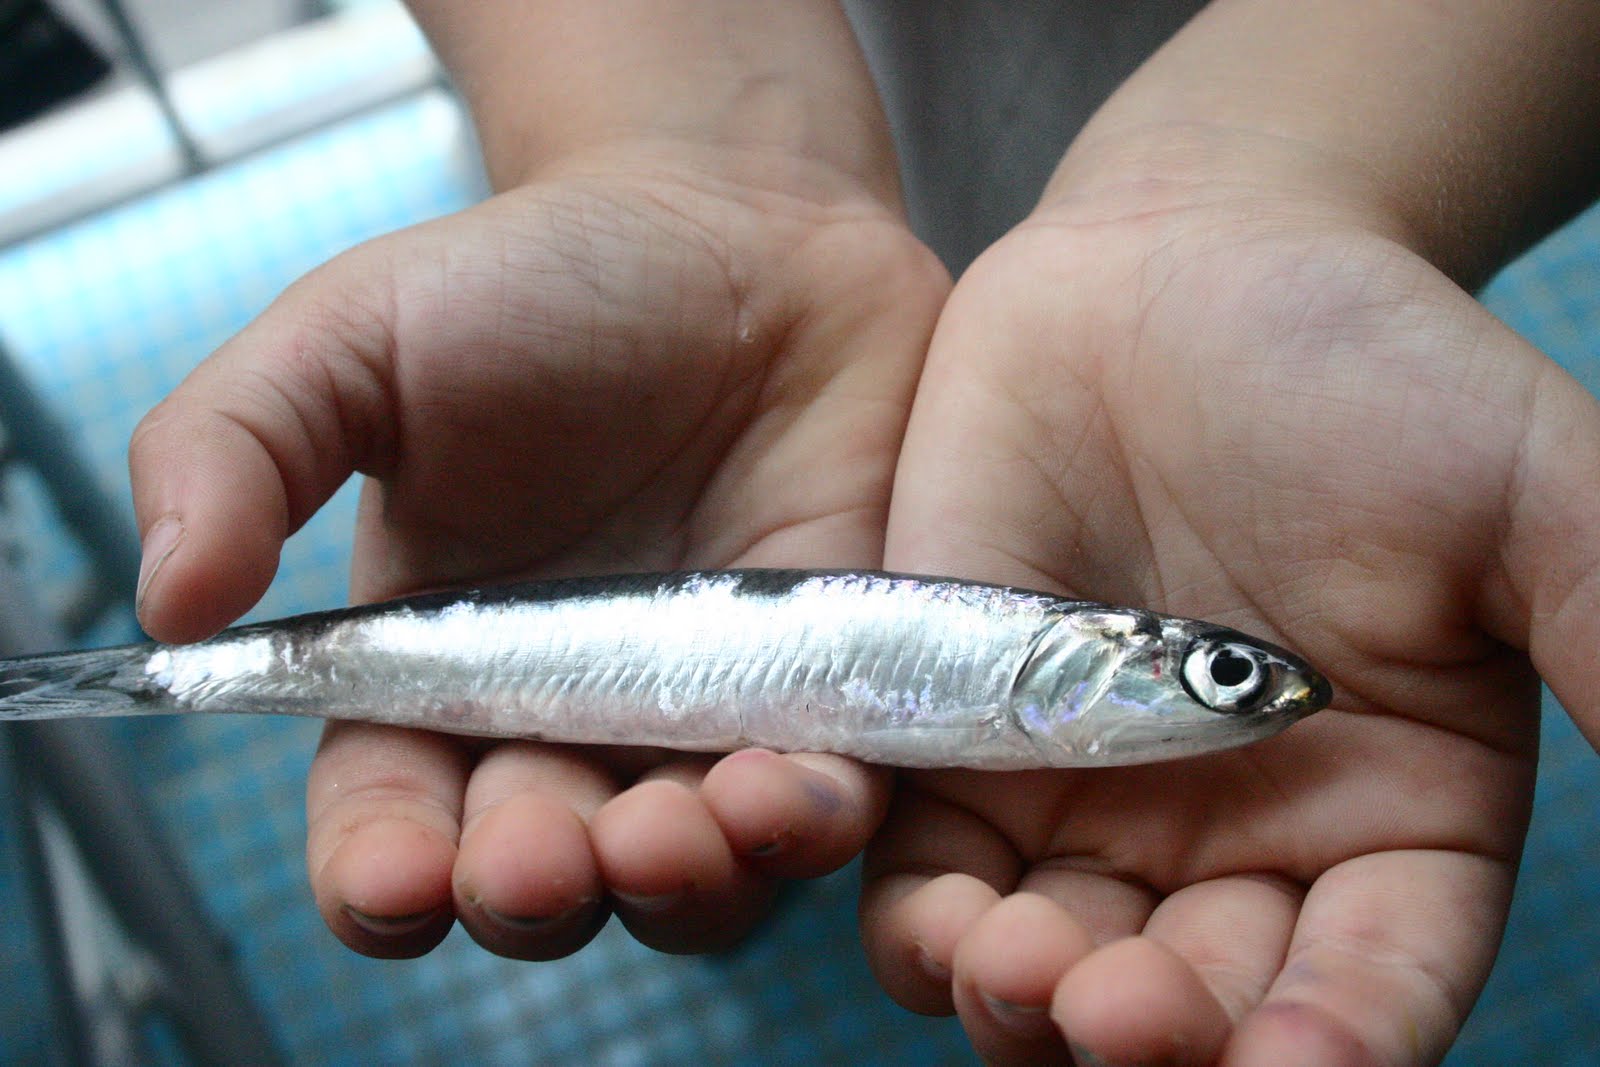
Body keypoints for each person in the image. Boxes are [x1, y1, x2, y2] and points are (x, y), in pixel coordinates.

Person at [126, 2, 1600, 1062]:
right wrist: (667, 148)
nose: (1241, 695)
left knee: (717, 831)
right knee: (686, 832)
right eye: (1220, 676)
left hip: (1250, 155)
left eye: (1227, 681)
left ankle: (757, 866)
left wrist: (1289, 180)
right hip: (696, 207)